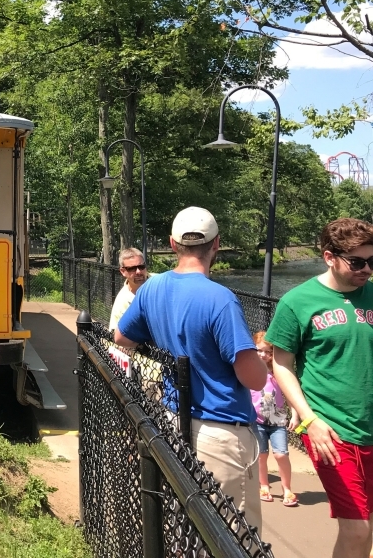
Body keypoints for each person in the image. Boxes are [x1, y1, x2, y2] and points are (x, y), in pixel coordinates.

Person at [116, 206, 267, 532]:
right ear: (216, 244)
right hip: (222, 430)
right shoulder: (221, 299)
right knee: (232, 535)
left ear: (172, 244)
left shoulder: (151, 289)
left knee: (186, 529)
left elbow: (121, 336)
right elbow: (253, 379)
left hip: (174, 421)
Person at [266, 218, 373, 558]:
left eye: (372, 260)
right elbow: (281, 363)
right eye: (357, 262)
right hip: (331, 429)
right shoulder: (298, 302)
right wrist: (309, 419)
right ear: (329, 257)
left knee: (367, 526)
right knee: (357, 528)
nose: (367, 269)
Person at [251, 331, 298, 507]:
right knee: (262, 455)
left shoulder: (278, 372)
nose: (263, 355)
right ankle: (264, 485)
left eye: (268, 352)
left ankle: (287, 489)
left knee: (281, 455)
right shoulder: (252, 370)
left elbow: (290, 393)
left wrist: (295, 414)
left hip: (278, 422)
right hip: (257, 420)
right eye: (259, 350)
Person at [108, 247, 149, 333]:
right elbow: (115, 334)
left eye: (141, 266)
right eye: (132, 269)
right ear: (123, 271)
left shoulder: (161, 282)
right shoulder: (121, 302)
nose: (138, 272)